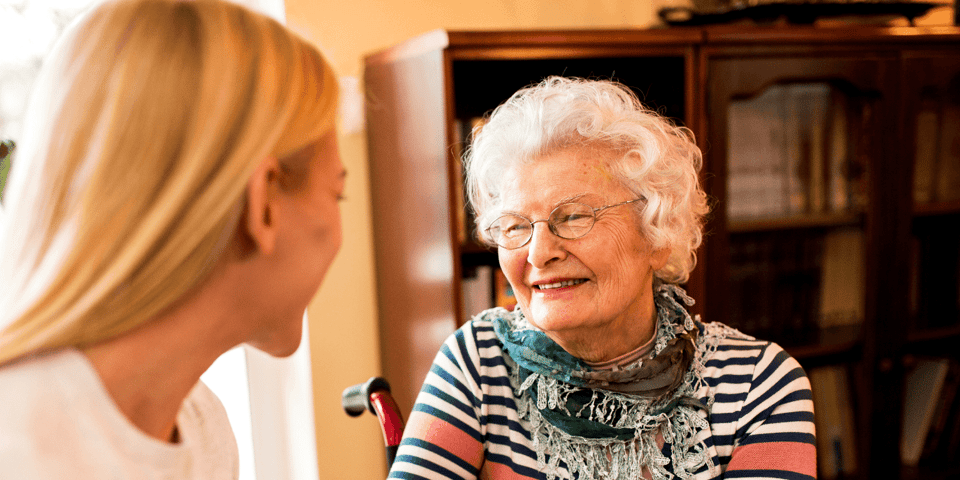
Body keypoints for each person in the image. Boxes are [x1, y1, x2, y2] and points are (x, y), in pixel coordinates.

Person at [388, 77, 816, 480]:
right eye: (516, 225)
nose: (538, 252)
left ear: (656, 232)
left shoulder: (758, 386)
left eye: (573, 217)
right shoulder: (478, 361)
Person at [0, 0, 343, 478]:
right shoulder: (15, 447)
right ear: (264, 203)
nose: (339, 234)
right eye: (337, 193)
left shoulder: (203, 430)